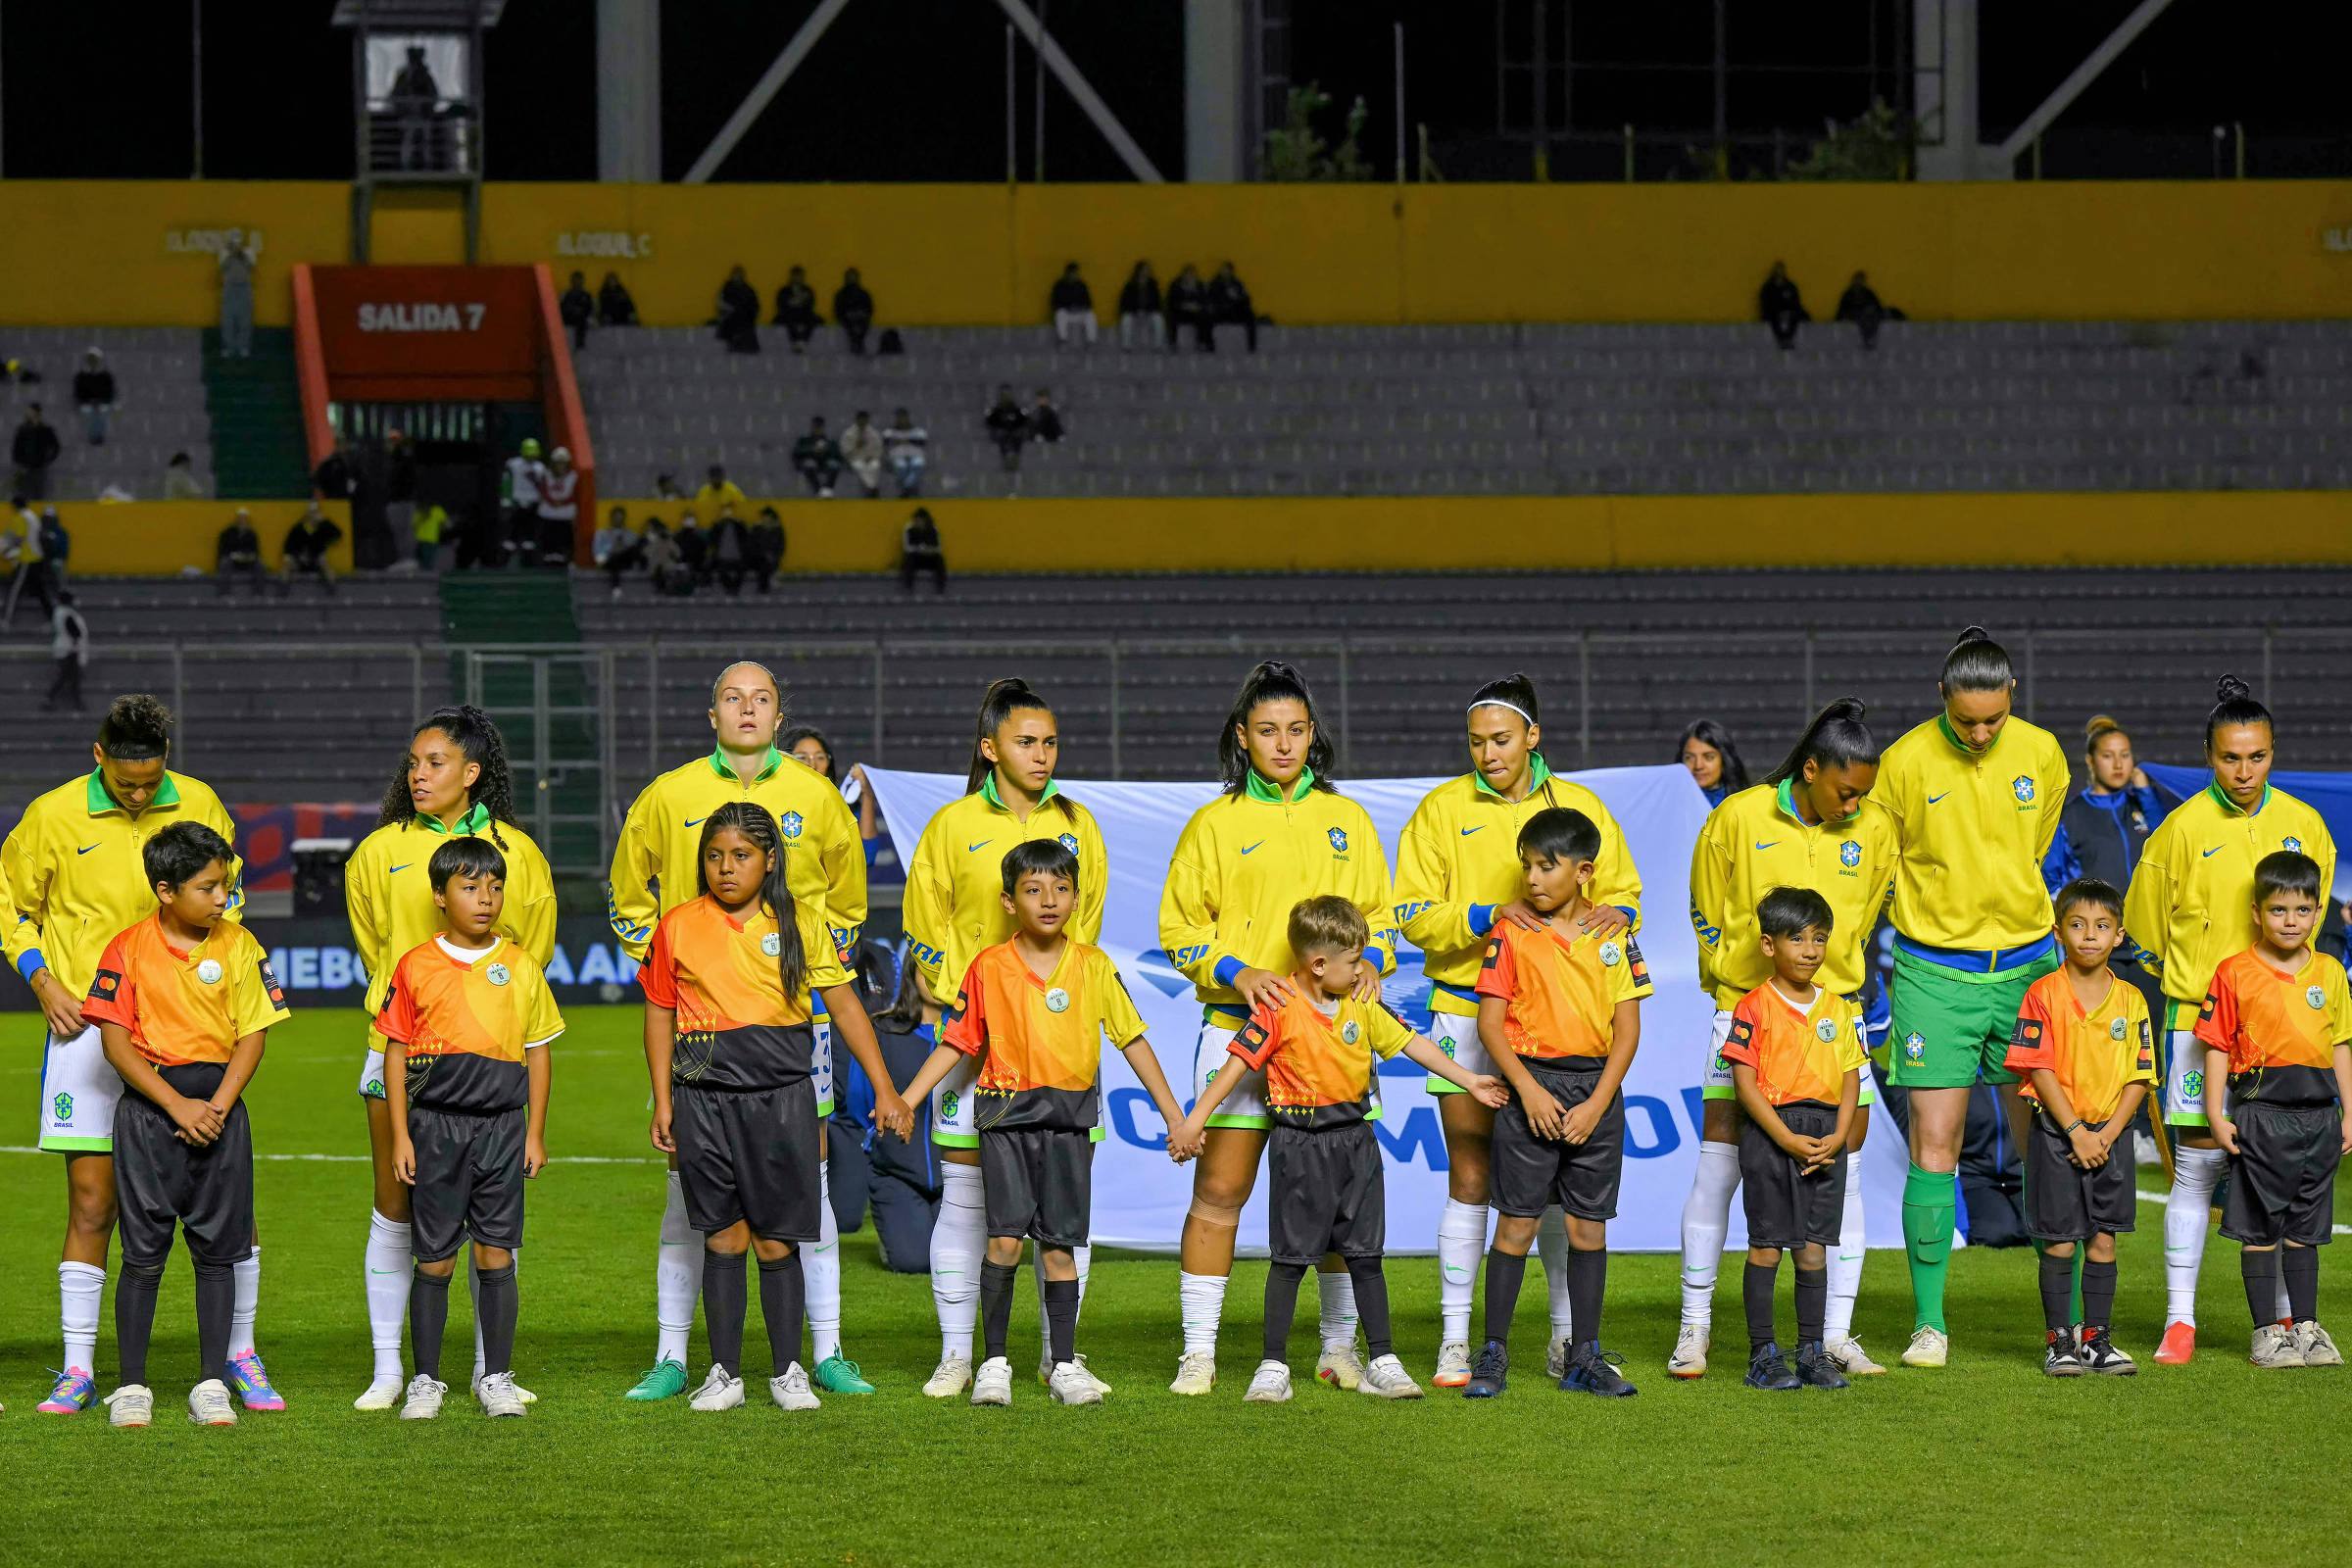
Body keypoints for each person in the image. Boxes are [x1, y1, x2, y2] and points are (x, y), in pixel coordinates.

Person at [610, 662, 871, 1403]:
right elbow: (627, 893)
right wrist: (679, 964)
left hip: (792, 1028)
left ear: (779, 716)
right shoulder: (670, 794)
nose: (747, 710)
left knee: (807, 1189)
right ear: (712, 714)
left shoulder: (816, 796)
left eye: (761, 700)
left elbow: (848, 902)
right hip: (699, 1031)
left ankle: (824, 1351)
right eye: (733, 698)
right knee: (690, 1197)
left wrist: (802, 969)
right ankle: (675, 1355)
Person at [0, 696, 267, 1417]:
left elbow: (228, 897)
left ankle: (240, 1354)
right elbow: (13, 907)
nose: (141, 795)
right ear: (99, 757)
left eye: (151, 782)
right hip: (88, 1029)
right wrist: (42, 979)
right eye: (126, 783)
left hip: (188, 1028)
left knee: (227, 1205)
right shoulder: (51, 815)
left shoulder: (201, 802)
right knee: (93, 1201)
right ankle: (78, 1367)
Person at [1392, 673, 1640, 1389]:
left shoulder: (1581, 807)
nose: (1487, 754)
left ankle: (1568, 1343)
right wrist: (1485, 916)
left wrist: (1620, 913)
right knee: (1473, 1175)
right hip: (1468, 1009)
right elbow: (1409, 911)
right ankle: (1458, 1341)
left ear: (1533, 736)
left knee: (1563, 1192)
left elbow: (1622, 895)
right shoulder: (1441, 809)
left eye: (1500, 740)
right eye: (1476, 742)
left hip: (1558, 1023)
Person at [1160, 661, 1398, 1396]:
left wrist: (1374, 962)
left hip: (1333, 1036)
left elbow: (1382, 919)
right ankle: (1198, 1354)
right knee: (1219, 1191)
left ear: (1312, 733)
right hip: (1241, 1029)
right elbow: (1178, 929)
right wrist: (1236, 971)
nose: (1284, 744)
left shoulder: (1347, 819)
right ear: (1243, 737)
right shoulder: (1214, 824)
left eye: (1296, 730)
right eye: (1268, 731)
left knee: (1337, 1207)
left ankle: (1337, 1351)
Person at [641, 804, 910, 1412]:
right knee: (724, 1238)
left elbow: (845, 1005)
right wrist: (664, 1098)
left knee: (775, 1241)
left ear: (768, 860)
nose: (726, 867)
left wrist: (885, 1087)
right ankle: (724, 1375)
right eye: (715, 856)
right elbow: (659, 1011)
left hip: (782, 1100)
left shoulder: (799, 922)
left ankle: (789, 1371)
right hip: (703, 1100)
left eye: (741, 855)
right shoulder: (678, 925)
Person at [905, 841, 1192, 1406]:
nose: (1049, 900)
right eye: (1033, 890)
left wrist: (1176, 1118)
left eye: (1061, 889)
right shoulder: (988, 966)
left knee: (1060, 1247)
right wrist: (906, 1099)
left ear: (1076, 899)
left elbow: (1133, 1041)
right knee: (1004, 1240)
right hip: (1005, 1120)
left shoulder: (1093, 965)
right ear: (1009, 901)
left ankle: (1062, 1364)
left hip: (1069, 1123)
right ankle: (993, 1363)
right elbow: (958, 1042)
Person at [1184, 896, 1495, 1404]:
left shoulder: (1361, 1003)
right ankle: (1273, 1366)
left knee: (1365, 1256)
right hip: (1299, 1144)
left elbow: (1411, 1043)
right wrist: (1195, 1120)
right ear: (1318, 964)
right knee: (1289, 1261)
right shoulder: (1278, 1008)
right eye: (1354, 961)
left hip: (1356, 1142)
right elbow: (1236, 1066)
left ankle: (1383, 1360)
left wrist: (1471, 1080)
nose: (1361, 970)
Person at [344, 707, 558, 1411]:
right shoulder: (377, 851)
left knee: (493, 1222)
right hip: (400, 1050)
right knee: (395, 1205)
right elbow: (376, 949)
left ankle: (489, 1371)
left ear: (470, 773)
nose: (418, 774)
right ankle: (391, 1370)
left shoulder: (517, 853)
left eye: (434, 763)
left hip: (490, 1064)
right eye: (413, 763)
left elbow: (529, 957)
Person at [902, 680, 1110, 1396]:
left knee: (1059, 1217)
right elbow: (923, 926)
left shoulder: (1079, 825)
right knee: (968, 1200)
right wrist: (969, 1000)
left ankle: (1059, 1358)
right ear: (991, 749)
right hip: (971, 1046)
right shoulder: (952, 824)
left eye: (1050, 742)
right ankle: (960, 1355)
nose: (1042, 755)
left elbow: (1085, 931)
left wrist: (1046, 1007)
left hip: (1055, 1051)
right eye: (1026, 742)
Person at [1676, 698, 1893, 1381]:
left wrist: (1843, 980)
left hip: (1834, 1019)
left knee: (1842, 1170)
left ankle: (1834, 1336)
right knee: (1719, 1165)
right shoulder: (1738, 816)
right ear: (1811, 770)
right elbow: (1702, 904)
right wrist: (1728, 969)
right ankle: (1694, 1328)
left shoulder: (1874, 828)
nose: (1855, 805)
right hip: (1745, 1012)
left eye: (1863, 793)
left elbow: (1867, 916)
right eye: (1845, 791)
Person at [1877, 627, 2071, 1367]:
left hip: (2028, 970)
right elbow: (1886, 862)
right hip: (1934, 974)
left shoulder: (2043, 753)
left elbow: (2035, 848)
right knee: (1936, 1144)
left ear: (2012, 695)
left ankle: (2068, 1326)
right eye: (1965, 721)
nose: (1981, 733)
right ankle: (1929, 1325)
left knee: (2046, 1141)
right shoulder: (1902, 762)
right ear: (1941, 698)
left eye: (1994, 719)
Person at [2128, 678, 2336, 1362]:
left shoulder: (2306, 825)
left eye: (2257, 756)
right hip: (2199, 1025)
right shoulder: (2180, 830)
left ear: (2273, 752)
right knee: (2196, 1167)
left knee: (2279, 1172)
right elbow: (2145, 929)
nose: (2244, 772)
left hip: (2280, 1030)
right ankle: (2179, 1321)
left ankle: (2285, 1323)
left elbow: (2308, 925)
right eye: (2229, 758)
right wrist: (2203, 984)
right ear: (2208, 756)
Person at [86, 821, 287, 1429]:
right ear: (166, 890)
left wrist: (216, 1108)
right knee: (142, 1254)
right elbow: (116, 1043)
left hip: (221, 1113)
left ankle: (211, 1382)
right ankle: (131, 1387)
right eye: (208, 887)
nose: (222, 897)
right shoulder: (126, 949)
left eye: (225, 884)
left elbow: (253, 1034)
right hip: (150, 1116)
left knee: (218, 1255)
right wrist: (177, 1106)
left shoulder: (241, 945)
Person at [1459, 809, 1648, 1399]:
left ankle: (1583, 1357)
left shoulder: (1615, 935)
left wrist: (1596, 1104)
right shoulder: (1511, 933)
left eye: (1547, 866)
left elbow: (1627, 1032)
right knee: (1516, 1224)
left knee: (1587, 1228)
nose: (1533, 879)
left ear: (1584, 872)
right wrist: (1528, 1090)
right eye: (1527, 867)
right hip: (1531, 1087)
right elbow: (1490, 1025)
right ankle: (1493, 1354)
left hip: (1596, 1092)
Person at [377, 836, 563, 1419]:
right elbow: (396, 1053)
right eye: (470, 887)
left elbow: (538, 1051)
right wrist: (402, 1136)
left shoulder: (521, 965)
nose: (486, 899)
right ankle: (426, 1380)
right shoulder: (416, 965)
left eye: (495, 887)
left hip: (503, 1130)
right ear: (440, 896)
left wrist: (535, 1132)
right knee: (434, 1259)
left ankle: (497, 1377)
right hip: (435, 1128)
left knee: (496, 1254)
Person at [2195, 851, 2351, 1369]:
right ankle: (2266, 1333)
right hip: (2261, 1116)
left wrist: (2349, 1112)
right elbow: (2217, 1047)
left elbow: (2341, 1044)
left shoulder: (2330, 972)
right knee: (2262, 1229)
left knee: (2306, 1230)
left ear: (2318, 913)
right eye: (2279, 910)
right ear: (2257, 913)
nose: (2290, 921)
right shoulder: (2235, 972)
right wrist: (2216, 1114)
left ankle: (2304, 1327)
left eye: (2302, 910)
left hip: (2320, 1120)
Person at [2005, 877, 2155, 1377]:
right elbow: (2038, 1068)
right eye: (2077, 925)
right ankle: (2059, 1341)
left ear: (2119, 935)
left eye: (2102, 926)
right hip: (2058, 1136)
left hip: (2110, 1137)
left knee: (2104, 1241)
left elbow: (2140, 1075)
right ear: (2058, 932)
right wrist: (2076, 1131)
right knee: (2060, 1241)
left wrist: (2105, 1135)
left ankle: (2097, 1340)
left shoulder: (2132, 999)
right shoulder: (2042, 994)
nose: (2089, 935)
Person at [1720, 886, 1866, 1391]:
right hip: (1772, 1134)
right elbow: (1744, 1084)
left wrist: (1840, 1134)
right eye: (1797, 939)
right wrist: (1784, 1138)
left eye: (1819, 939)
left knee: (1813, 1250)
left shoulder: (1839, 1009)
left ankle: (1810, 1352)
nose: (1810, 950)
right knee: (1766, 1247)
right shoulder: (1753, 1007)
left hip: (1826, 1138)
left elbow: (1851, 1076)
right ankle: (1762, 1355)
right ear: (1769, 945)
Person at [829, 950, 940, 1272]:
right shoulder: (882, 1030)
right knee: (914, 1262)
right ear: (911, 973)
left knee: (957, 1261)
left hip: (958, 1177)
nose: (937, 978)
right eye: (929, 969)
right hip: (897, 1173)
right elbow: (858, 1100)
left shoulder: (974, 1033)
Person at [784, 724, 882, 866]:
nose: (812, 764)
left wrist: (867, 794)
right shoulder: (772, 803)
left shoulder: (842, 809)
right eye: (802, 757)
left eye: (820, 757)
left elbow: (866, 857)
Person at [1678, 718, 1749, 808]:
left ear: (1724, 759)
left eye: (1709, 757)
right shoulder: (1670, 804)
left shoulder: (1745, 805)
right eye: (1689, 757)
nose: (1698, 766)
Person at [500, 438, 546, 567]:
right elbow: (506, 481)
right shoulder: (513, 464)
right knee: (511, 534)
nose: (530, 458)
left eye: (533, 455)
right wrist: (506, 498)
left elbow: (543, 486)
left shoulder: (540, 467)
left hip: (533, 503)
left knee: (530, 536)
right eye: (528, 455)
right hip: (516, 503)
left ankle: (528, 563)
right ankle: (502, 562)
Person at [280, 502, 341, 595]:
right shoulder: (298, 528)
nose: (313, 515)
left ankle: (332, 590)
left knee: (324, 562)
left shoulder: (323, 528)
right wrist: (291, 556)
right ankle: (283, 591)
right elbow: (288, 546)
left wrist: (325, 521)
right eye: (312, 512)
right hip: (299, 561)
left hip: (315, 561)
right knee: (287, 564)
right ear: (308, 513)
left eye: (316, 512)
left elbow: (338, 534)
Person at [44, 590, 88, 712]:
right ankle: (51, 698)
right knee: (68, 677)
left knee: (69, 677)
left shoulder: (58, 613)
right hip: (69, 650)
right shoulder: (68, 614)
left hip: (62, 648)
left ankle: (54, 699)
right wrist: (78, 647)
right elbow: (76, 633)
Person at [535, 446, 579, 567]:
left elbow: (576, 494)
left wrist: (562, 502)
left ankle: (564, 558)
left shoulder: (573, 476)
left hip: (565, 512)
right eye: (558, 463)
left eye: (563, 463)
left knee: (565, 536)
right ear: (553, 463)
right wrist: (551, 501)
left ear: (567, 463)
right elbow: (543, 490)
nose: (560, 465)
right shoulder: (547, 474)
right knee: (548, 535)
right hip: (548, 511)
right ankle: (548, 557)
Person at [1205, 262, 1258, 354]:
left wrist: (1236, 297)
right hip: (1220, 312)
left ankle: (1252, 346)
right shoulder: (1215, 283)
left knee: (1250, 316)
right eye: (1223, 270)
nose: (1225, 272)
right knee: (1206, 318)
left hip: (1234, 312)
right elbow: (1211, 298)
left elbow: (1245, 299)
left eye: (1227, 270)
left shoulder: (1237, 283)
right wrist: (1224, 300)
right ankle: (1209, 346)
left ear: (1231, 271)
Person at [382, 430, 417, 566]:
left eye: (393, 441)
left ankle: (408, 560)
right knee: (398, 532)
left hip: (403, 500)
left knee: (405, 531)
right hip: (395, 500)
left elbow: (403, 480)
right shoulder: (391, 459)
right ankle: (403, 560)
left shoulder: (404, 458)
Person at [594, 505, 644, 597]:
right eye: (616, 518)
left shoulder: (631, 534)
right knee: (614, 559)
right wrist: (611, 549)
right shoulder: (602, 534)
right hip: (609, 561)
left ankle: (640, 568)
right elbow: (598, 553)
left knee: (637, 545)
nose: (618, 520)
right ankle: (616, 587)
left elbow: (634, 550)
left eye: (620, 518)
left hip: (625, 560)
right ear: (611, 518)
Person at [218, 238, 256, 359]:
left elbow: (251, 266)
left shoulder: (248, 252)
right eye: (234, 242)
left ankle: (243, 347)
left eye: (238, 242)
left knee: (245, 319)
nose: (236, 245)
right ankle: (229, 347)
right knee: (228, 319)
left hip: (244, 287)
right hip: (229, 288)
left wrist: (241, 254)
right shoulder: (224, 252)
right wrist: (231, 254)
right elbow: (222, 266)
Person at [1759, 261, 1809, 350]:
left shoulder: (1790, 286)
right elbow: (1765, 304)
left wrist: (1788, 311)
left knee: (1797, 316)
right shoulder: (1768, 287)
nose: (1779, 273)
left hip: (1788, 312)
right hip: (1773, 313)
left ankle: (1788, 338)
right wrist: (1779, 312)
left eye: (1781, 270)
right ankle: (1782, 339)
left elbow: (1795, 302)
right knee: (1774, 319)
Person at [14, 404, 61, 499]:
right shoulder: (22, 430)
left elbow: (56, 446)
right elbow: (16, 449)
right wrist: (20, 463)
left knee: (39, 494)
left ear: (36, 413)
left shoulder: (46, 430)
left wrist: (48, 460)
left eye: (30, 412)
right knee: (23, 494)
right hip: (25, 468)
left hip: (40, 468)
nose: (28, 414)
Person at [215, 509, 265, 595]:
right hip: (231, 561)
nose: (242, 521)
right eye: (240, 519)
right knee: (224, 563)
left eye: (244, 519)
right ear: (236, 520)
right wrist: (234, 556)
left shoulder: (252, 534)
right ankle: (224, 594)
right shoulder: (227, 533)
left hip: (247, 561)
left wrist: (248, 557)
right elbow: (222, 551)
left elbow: (256, 552)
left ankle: (258, 595)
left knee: (259, 566)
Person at [773, 266, 821, 354]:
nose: (797, 278)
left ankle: (803, 340)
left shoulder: (808, 290)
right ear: (791, 277)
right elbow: (781, 305)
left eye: (799, 276)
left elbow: (810, 305)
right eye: (796, 276)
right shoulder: (784, 291)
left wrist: (797, 304)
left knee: (812, 320)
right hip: (789, 314)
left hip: (804, 314)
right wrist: (794, 304)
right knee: (789, 320)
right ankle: (796, 341)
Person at [1835, 270, 1887, 351]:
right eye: (1858, 280)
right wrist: (1839, 318)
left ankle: (1870, 339)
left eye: (1861, 280)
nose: (1860, 282)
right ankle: (1866, 339)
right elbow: (1842, 308)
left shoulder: (1868, 292)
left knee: (1873, 318)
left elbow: (1877, 306)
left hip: (1868, 316)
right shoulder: (1848, 293)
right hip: (1854, 315)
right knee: (1863, 319)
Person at [1118, 261, 1164, 350]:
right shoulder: (1130, 285)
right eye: (1144, 270)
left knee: (1158, 319)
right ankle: (1126, 346)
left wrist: (1147, 311)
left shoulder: (1153, 285)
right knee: (1126, 319)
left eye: (1147, 270)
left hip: (1149, 313)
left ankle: (1158, 346)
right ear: (1138, 271)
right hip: (1134, 313)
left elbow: (1157, 302)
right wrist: (1136, 311)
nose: (1146, 272)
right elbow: (1124, 303)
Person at [74, 349, 115, 446]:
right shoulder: (81, 376)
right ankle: (93, 436)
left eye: (95, 359)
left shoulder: (106, 376)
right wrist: (87, 401)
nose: (93, 362)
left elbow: (110, 392)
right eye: (91, 359)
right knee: (89, 414)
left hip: (102, 402)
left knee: (102, 413)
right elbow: (78, 392)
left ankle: (100, 436)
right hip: (87, 403)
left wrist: (102, 401)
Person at [793, 416, 843, 498]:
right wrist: (812, 450)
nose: (817, 430)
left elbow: (838, 454)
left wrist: (826, 450)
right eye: (815, 427)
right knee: (809, 464)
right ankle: (818, 490)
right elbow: (797, 452)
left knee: (834, 465)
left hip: (826, 462)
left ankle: (827, 488)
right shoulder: (805, 439)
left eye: (819, 427)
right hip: (811, 461)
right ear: (812, 427)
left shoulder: (829, 440)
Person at [1050, 262, 1097, 347]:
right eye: (1072, 273)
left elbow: (1089, 303)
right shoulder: (1060, 286)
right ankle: (1063, 340)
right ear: (1067, 273)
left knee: (1090, 315)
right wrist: (1068, 307)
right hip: (1067, 314)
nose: (1073, 275)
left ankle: (1091, 341)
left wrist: (1080, 308)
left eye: (1075, 273)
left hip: (1079, 313)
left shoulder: (1082, 285)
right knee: (1060, 314)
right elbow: (1054, 303)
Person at [840, 410, 886, 498]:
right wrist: (856, 447)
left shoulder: (874, 433)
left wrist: (872, 456)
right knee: (860, 467)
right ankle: (872, 488)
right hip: (855, 458)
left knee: (875, 466)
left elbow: (879, 449)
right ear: (857, 420)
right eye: (860, 419)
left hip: (870, 458)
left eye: (864, 419)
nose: (862, 422)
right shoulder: (849, 434)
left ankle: (870, 489)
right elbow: (845, 452)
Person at [900, 507, 945, 595]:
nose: (918, 522)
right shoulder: (909, 529)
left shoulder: (933, 530)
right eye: (916, 520)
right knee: (909, 559)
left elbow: (938, 548)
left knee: (939, 559)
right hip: (916, 558)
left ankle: (940, 587)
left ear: (926, 520)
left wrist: (929, 550)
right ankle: (908, 587)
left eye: (921, 520)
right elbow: (907, 547)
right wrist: (919, 549)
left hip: (929, 559)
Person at [884, 408, 928, 497]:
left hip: (915, 456)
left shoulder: (917, 431)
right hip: (897, 457)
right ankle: (909, 490)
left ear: (907, 418)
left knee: (917, 465)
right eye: (899, 417)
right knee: (901, 467)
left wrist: (906, 440)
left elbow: (922, 441)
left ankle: (907, 488)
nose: (901, 420)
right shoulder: (890, 432)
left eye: (903, 417)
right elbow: (886, 442)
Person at [716, 266, 760, 354]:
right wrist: (732, 310)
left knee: (746, 324)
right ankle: (734, 344)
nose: (738, 277)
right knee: (735, 321)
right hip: (730, 316)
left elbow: (755, 305)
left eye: (740, 275)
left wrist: (750, 313)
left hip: (745, 318)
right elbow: (721, 303)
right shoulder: (727, 288)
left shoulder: (748, 289)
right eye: (736, 274)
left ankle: (749, 346)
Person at [1166, 264, 1209, 352]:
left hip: (1194, 312)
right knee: (1172, 317)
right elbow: (1172, 301)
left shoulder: (1199, 285)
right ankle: (1173, 343)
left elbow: (1204, 300)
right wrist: (1184, 306)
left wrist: (1196, 305)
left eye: (1192, 274)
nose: (1189, 276)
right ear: (1183, 275)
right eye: (1188, 274)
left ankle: (1202, 342)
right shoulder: (1176, 285)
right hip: (1180, 312)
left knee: (1204, 316)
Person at [709, 504, 750, 595]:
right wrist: (718, 522)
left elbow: (745, 534)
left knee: (741, 571)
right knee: (721, 572)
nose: (728, 513)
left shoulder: (738, 525)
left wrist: (737, 521)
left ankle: (735, 588)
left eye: (730, 511)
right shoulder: (719, 525)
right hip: (722, 557)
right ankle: (729, 588)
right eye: (726, 511)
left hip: (738, 557)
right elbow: (711, 537)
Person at [986, 385, 1028, 473]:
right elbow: (990, 423)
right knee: (1002, 437)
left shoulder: (1017, 410)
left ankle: (1014, 462)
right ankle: (1006, 462)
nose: (1006, 396)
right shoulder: (996, 411)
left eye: (1008, 394)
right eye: (1004, 394)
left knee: (1017, 437)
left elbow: (1024, 422)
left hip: (1015, 437)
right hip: (1001, 437)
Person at [834, 268, 874, 355]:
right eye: (850, 277)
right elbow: (838, 310)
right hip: (847, 319)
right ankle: (856, 343)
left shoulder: (863, 294)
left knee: (862, 325)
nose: (851, 279)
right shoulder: (841, 294)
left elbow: (869, 309)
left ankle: (858, 343)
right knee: (851, 326)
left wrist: (861, 314)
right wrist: (848, 315)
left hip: (861, 318)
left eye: (853, 277)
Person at [749, 506, 785, 591]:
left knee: (767, 566)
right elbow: (752, 543)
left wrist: (776, 555)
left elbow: (781, 544)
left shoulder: (777, 529)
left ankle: (765, 585)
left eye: (767, 516)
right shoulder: (757, 528)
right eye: (764, 516)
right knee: (763, 566)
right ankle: (764, 586)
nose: (765, 518)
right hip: (759, 556)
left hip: (772, 556)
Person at [560, 270, 594, 351]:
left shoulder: (587, 295)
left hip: (582, 318)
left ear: (582, 281)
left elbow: (590, 308)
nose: (577, 282)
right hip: (568, 318)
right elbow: (561, 308)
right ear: (572, 281)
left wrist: (583, 313)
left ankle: (580, 345)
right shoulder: (566, 294)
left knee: (582, 320)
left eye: (579, 280)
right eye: (575, 280)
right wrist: (573, 310)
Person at [414, 502, 445, 571]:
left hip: (426, 539)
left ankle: (425, 573)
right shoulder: (436, 511)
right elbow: (446, 524)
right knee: (425, 561)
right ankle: (425, 573)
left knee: (425, 560)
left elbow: (414, 525)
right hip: (426, 539)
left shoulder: (437, 510)